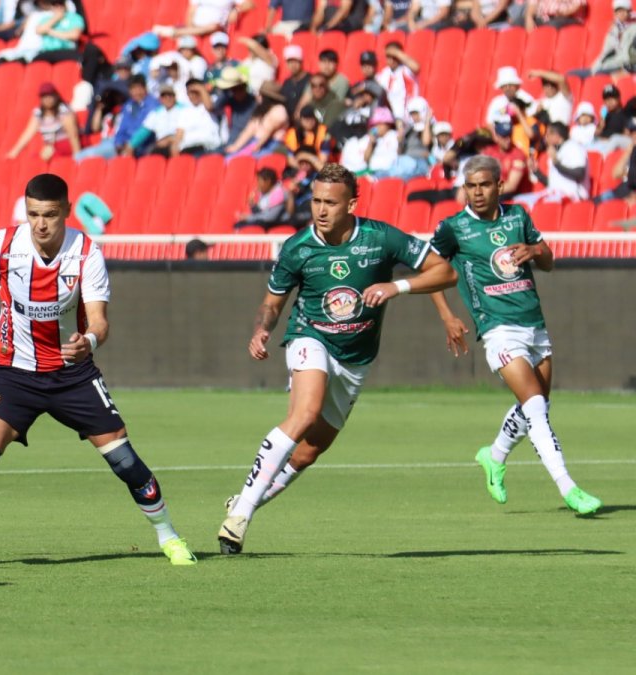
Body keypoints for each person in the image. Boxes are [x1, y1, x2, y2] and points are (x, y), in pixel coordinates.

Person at [0, 173, 198, 566]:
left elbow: (99, 321)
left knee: (126, 463)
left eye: (50, 215)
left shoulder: (87, 254)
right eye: (33, 214)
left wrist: (88, 342)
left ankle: (169, 537)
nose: (41, 224)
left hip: (71, 376)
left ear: (66, 212)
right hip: (12, 371)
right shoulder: (5, 244)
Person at [217, 163, 458, 554]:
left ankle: (246, 499)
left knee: (310, 450)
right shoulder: (297, 247)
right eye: (315, 201)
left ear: (352, 204)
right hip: (309, 338)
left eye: (330, 202)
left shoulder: (381, 238)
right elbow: (271, 304)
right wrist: (263, 328)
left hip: (356, 358)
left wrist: (396, 286)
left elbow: (445, 273)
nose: (321, 210)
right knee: (304, 413)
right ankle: (241, 516)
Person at [427, 155, 601, 515]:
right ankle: (569, 488)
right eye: (470, 186)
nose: (476, 192)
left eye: (484, 185)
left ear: (499, 186)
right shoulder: (454, 227)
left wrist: (536, 249)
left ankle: (493, 456)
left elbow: (548, 261)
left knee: (536, 403)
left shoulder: (518, 216)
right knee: (536, 408)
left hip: (534, 325)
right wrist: (447, 316)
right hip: (497, 329)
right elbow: (429, 269)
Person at [76, 74, 158, 159]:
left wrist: (130, 144)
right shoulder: (129, 104)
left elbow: (144, 129)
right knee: (80, 156)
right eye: (133, 88)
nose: (136, 92)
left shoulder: (153, 105)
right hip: (121, 144)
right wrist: (119, 143)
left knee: (82, 157)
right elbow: (122, 127)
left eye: (138, 88)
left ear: (145, 88)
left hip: (141, 146)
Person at [515, 122, 589, 205]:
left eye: (548, 134)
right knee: (518, 201)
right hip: (556, 194)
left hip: (574, 197)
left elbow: (580, 174)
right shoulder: (556, 152)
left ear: (556, 136)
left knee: (539, 204)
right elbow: (553, 184)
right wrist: (536, 171)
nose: (545, 137)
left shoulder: (574, 147)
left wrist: (556, 163)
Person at [7, 82, 80, 159]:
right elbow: (28, 133)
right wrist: (15, 152)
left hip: (65, 144)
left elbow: (73, 134)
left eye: (50, 95)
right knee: (35, 159)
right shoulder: (38, 113)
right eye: (44, 96)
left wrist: (77, 155)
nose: (47, 99)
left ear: (55, 96)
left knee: (46, 155)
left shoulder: (64, 110)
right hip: (50, 147)